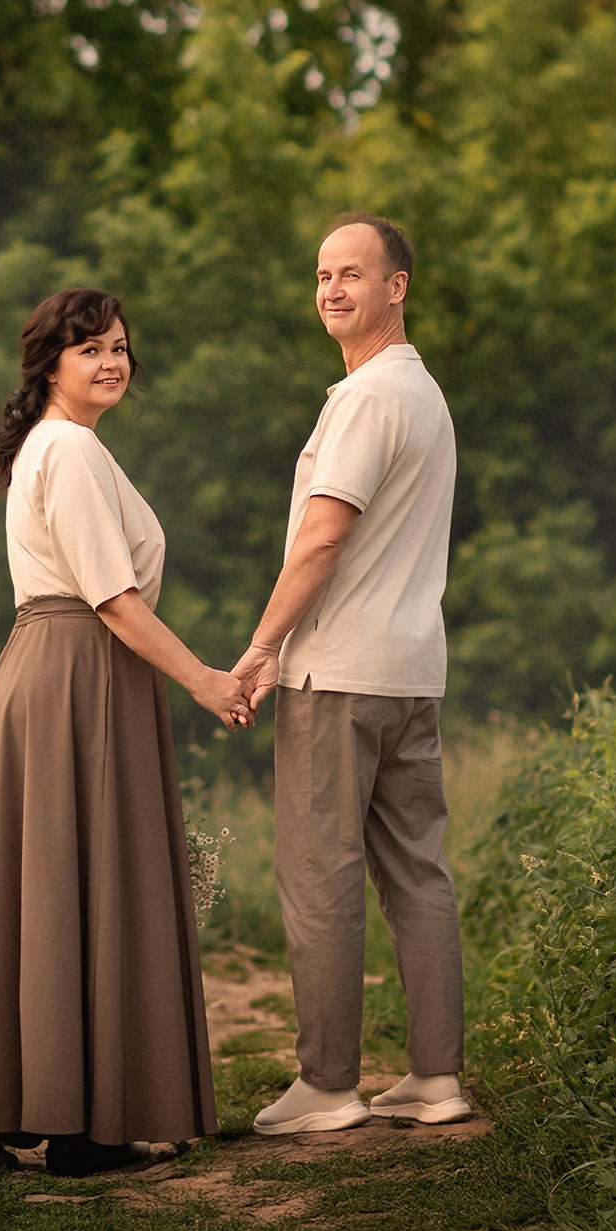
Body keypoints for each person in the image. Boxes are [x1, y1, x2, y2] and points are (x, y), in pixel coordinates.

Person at [0, 287, 248, 1177]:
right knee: (75, 880)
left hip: (49, 670)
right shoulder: (71, 451)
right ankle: (85, 1128)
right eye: (90, 348)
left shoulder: (49, 448)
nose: (112, 362)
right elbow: (114, 601)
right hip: (79, 674)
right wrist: (207, 681)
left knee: (32, 886)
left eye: (122, 347)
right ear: (49, 363)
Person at [233, 216, 470, 1135]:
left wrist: (260, 651)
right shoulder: (424, 395)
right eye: (323, 275)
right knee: (419, 874)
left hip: (336, 675)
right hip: (412, 671)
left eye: (354, 274)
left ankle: (329, 1086)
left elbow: (323, 534)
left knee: (319, 874)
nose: (333, 290)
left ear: (397, 287)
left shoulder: (368, 398)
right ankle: (436, 1079)